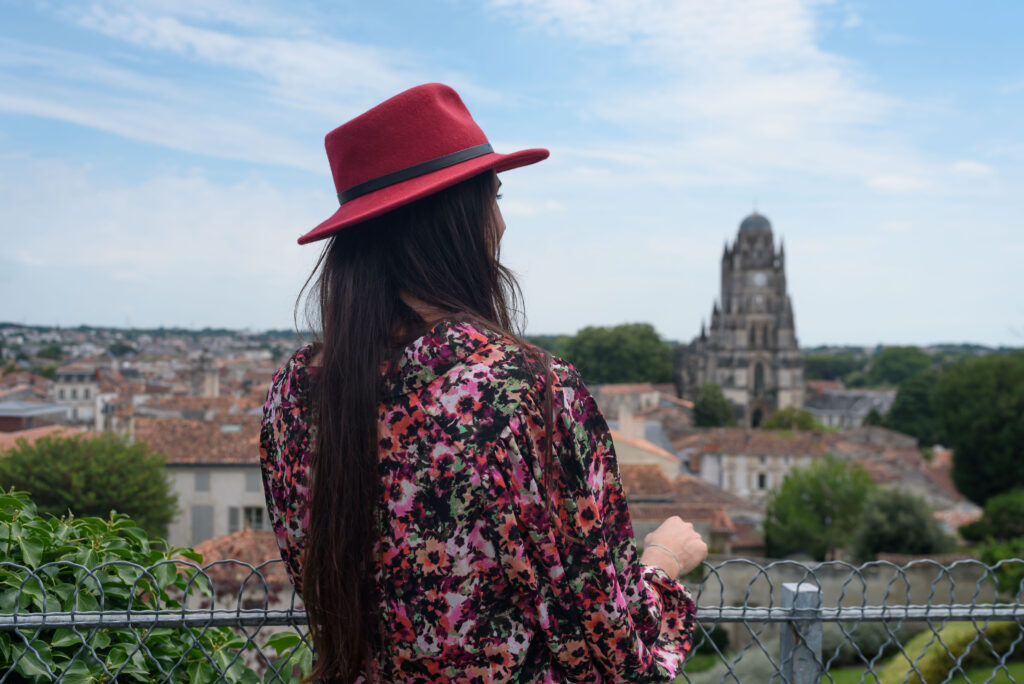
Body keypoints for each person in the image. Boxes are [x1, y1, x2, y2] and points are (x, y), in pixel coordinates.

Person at [259, 83, 708, 683]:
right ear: (456, 220)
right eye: (492, 197)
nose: (501, 222)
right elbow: (612, 655)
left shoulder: (294, 394)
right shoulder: (523, 391)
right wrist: (662, 565)